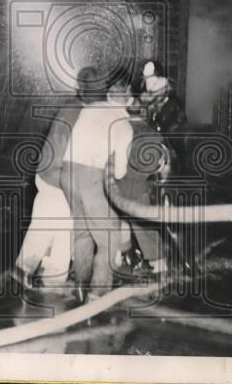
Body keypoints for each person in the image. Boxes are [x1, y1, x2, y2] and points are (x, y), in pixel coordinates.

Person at [15, 66, 99, 289]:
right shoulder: (83, 114)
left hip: (48, 175)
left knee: (60, 226)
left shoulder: (72, 107)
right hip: (58, 179)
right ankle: (35, 272)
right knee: (50, 225)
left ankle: (46, 273)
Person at [61, 73, 135, 301]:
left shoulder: (89, 108)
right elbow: (120, 172)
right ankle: (98, 293)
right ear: (130, 100)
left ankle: (80, 285)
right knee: (109, 237)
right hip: (92, 176)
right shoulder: (123, 124)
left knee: (82, 231)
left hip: (67, 171)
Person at [117, 95, 171, 276]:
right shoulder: (152, 132)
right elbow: (162, 160)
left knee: (128, 221)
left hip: (126, 182)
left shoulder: (124, 129)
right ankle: (153, 260)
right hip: (142, 183)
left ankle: (126, 256)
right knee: (139, 222)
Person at [139, 61, 187, 172]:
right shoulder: (148, 102)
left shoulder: (172, 103)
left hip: (168, 155)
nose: (149, 84)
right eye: (147, 80)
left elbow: (175, 134)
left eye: (152, 80)